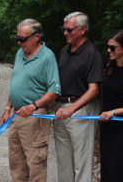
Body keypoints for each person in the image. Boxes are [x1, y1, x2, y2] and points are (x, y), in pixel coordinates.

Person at [0, 18, 61, 182]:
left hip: (34, 116)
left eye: (23, 39)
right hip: (16, 115)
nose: (19, 43)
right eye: (17, 38)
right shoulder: (20, 53)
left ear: (37, 36)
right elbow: (15, 82)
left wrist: (33, 106)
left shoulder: (47, 57)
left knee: (36, 164)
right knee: (16, 164)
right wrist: (7, 108)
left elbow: (54, 90)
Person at [54, 12, 103, 182]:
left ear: (82, 30)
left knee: (82, 162)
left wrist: (72, 109)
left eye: (69, 30)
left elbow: (94, 89)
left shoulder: (92, 53)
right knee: (63, 161)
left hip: (82, 109)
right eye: (64, 29)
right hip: (61, 108)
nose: (65, 33)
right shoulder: (64, 51)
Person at [99, 30, 123, 182]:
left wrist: (114, 112)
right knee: (107, 170)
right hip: (108, 129)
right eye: (108, 47)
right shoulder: (110, 68)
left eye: (113, 47)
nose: (108, 50)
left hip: (121, 132)